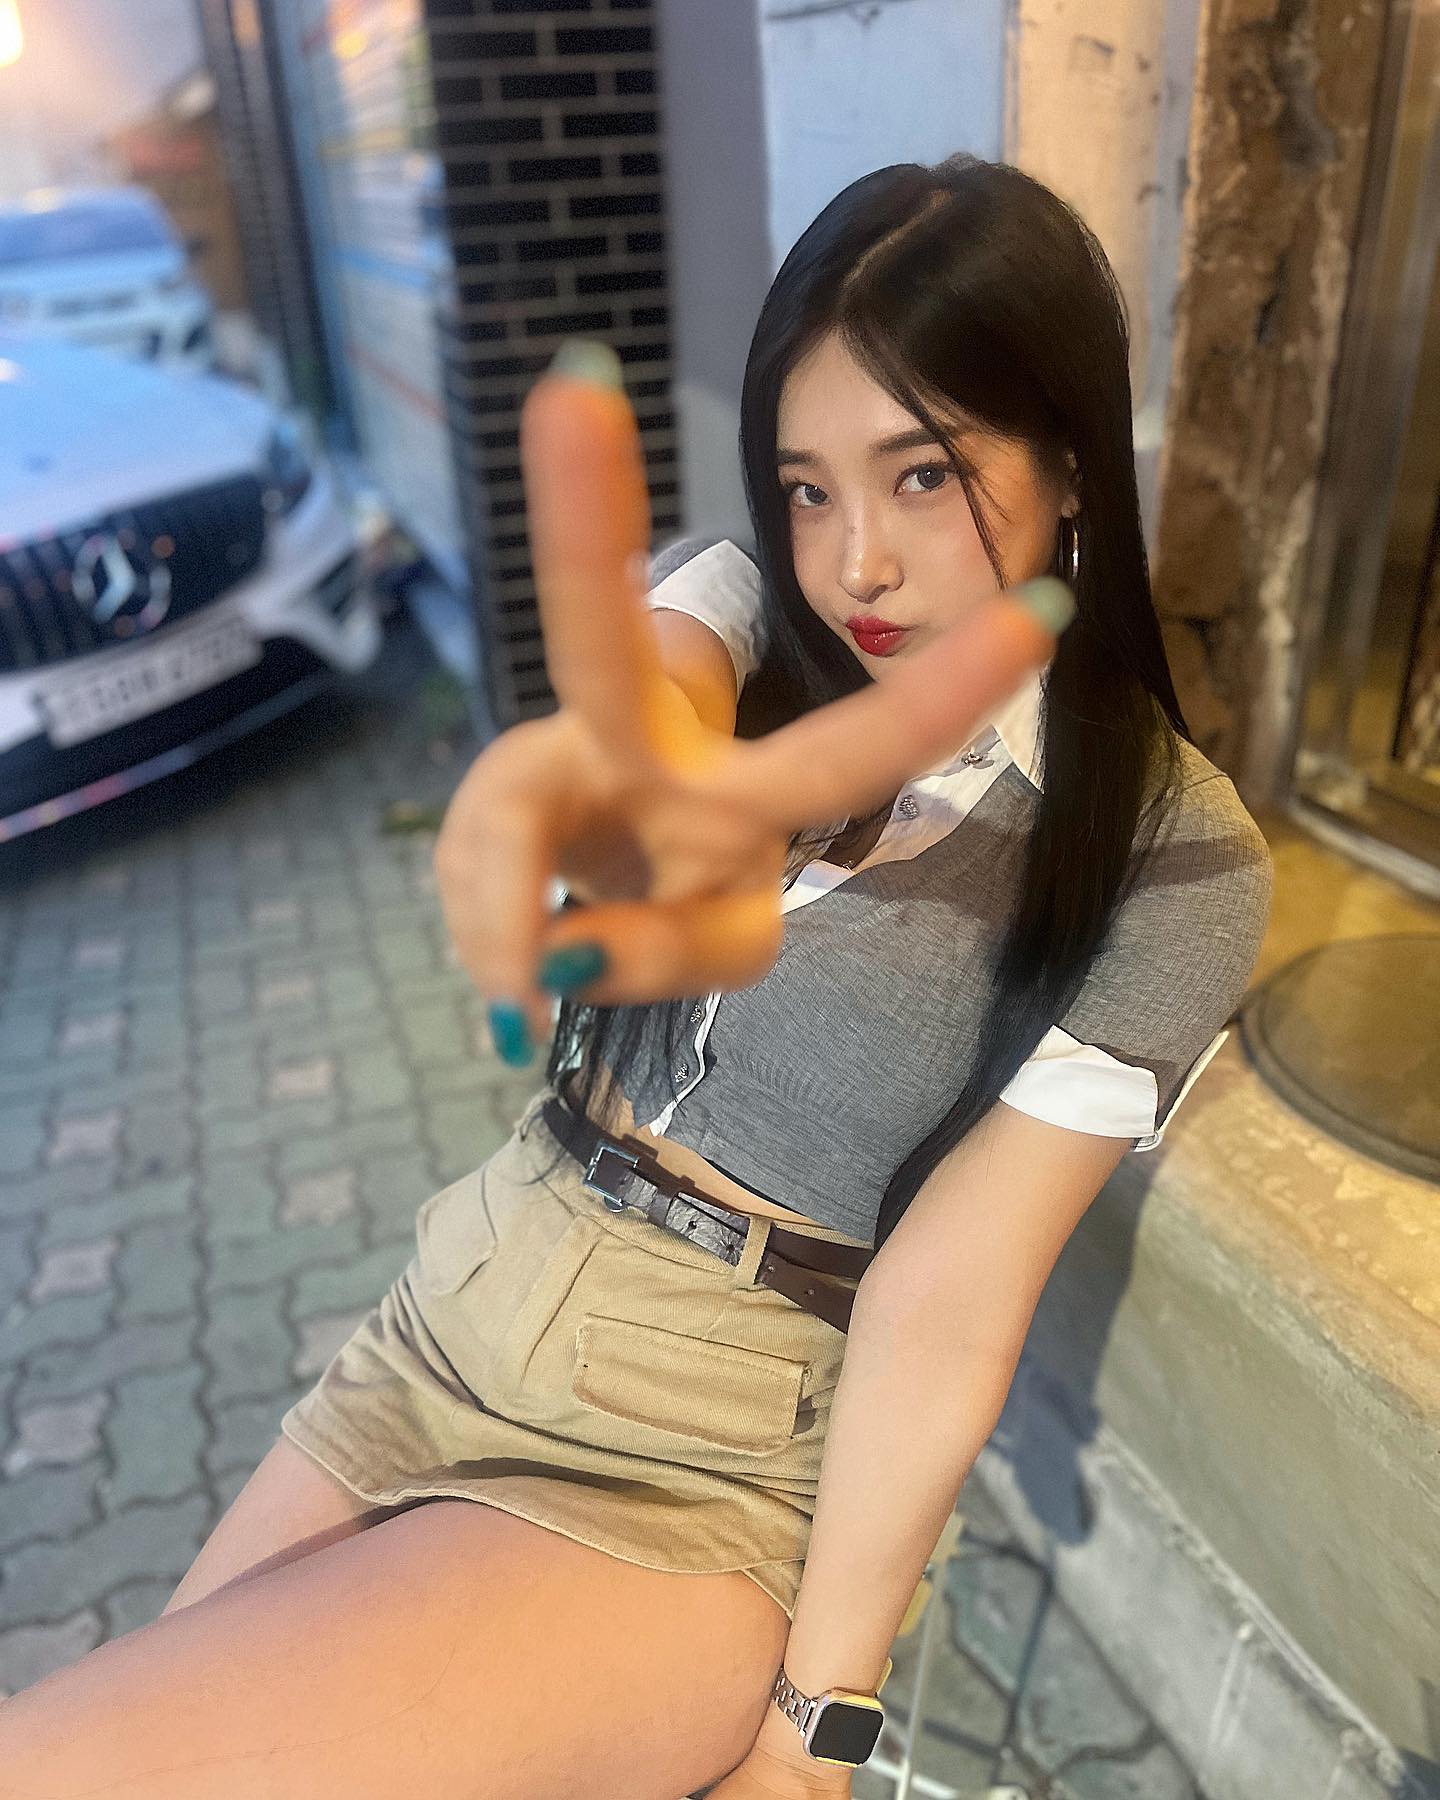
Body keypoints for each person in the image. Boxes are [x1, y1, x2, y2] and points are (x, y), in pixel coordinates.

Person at [0, 153, 1272, 1800]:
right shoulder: (741, 614)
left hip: (696, 1454)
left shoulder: (1171, 856)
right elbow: (652, 703)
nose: (855, 565)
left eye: (923, 476)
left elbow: (952, 1298)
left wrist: (811, 1733)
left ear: (1072, 464)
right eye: (807, 488)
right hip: (456, 1310)